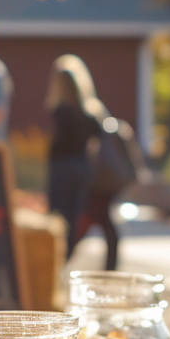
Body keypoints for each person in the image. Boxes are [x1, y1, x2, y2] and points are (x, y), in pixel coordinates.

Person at [46, 55, 105, 259]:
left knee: (59, 217)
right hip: (82, 168)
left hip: (63, 169)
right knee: (74, 217)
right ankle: (67, 256)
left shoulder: (61, 111)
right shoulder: (90, 112)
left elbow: (59, 145)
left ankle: (59, 259)